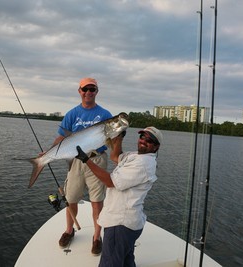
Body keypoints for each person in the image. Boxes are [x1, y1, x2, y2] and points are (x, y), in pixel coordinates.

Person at [75, 126, 163, 267]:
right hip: (129, 223)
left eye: (149, 140)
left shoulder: (143, 163)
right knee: (126, 260)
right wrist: (119, 138)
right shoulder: (137, 156)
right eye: (142, 137)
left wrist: (86, 160)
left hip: (120, 224)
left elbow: (110, 182)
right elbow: (115, 156)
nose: (143, 141)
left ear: (156, 147)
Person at [54, 77, 112, 255]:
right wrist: (47, 152)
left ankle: (96, 237)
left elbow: (113, 139)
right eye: (85, 89)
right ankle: (69, 230)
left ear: (96, 92)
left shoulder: (105, 115)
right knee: (71, 198)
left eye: (92, 89)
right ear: (79, 91)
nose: (88, 92)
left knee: (97, 201)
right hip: (76, 161)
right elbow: (61, 137)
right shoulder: (72, 113)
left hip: (97, 160)